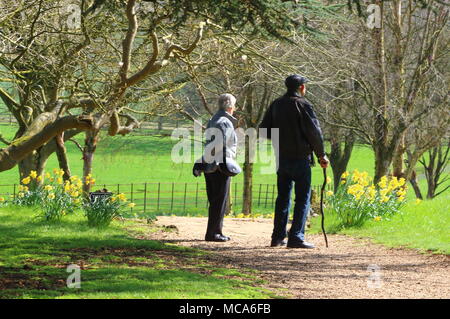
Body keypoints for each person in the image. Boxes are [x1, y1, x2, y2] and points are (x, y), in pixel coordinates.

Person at [259, 75, 329, 249]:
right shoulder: (304, 105)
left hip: (282, 158)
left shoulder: (276, 104)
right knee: (302, 198)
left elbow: (263, 130)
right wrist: (322, 155)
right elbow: (314, 132)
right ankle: (296, 236)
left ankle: (277, 237)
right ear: (302, 87)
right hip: (300, 158)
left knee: (282, 197)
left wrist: (280, 138)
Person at [193, 93, 239, 242]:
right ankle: (214, 233)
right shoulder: (225, 121)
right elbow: (219, 144)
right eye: (235, 105)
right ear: (231, 107)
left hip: (210, 165)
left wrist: (202, 161)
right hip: (219, 165)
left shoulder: (213, 119)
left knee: (215, 200)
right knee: (219, 201)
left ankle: (213, 232)